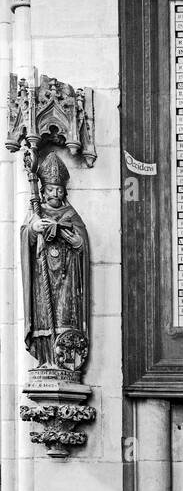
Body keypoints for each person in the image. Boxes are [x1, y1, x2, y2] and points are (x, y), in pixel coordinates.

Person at [21, 150, 89, 374]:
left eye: (59, 189)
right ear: (43, 190)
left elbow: (82, 242)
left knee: (64, 314)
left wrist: (74, 239)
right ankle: (46, 360)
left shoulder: (70, 213)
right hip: (43, 276)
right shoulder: (36, 211)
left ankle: (66, 361)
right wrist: (33, 229)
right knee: (44, 316)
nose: (55, 193)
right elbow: (25, 236)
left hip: (67, 277)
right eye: (50, 189)